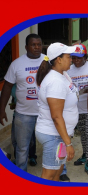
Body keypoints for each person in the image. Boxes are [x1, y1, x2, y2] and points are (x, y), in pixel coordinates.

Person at [0, 34, 43, 171]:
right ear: (26, 47)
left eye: (39, 44)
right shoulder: (17, 64)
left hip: (46, 112)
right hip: (24, 114)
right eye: (33, 45)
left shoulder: (48, 62)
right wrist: (1, 110)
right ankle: (21, 173)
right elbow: (7, 86)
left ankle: (57, 173)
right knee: (22, 148)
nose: (37, 47)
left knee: (52, 144)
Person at [35, 42, 77, 181]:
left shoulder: (62, 74)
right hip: (54, 136)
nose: (71, 59)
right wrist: (68, 144)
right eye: (68, 56)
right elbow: (56, 117)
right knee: (49, 176)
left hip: (59, 136)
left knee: (57, 172)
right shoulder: (55, 82)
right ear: (58, 59)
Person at [67, 44, 88, 176]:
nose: (77, 60)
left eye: (79, 58)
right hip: (75, 109)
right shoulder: (68, 70)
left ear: (85, 57)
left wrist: (85, 90)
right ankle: (85, 155)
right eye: (74, 58)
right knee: (83, 134)